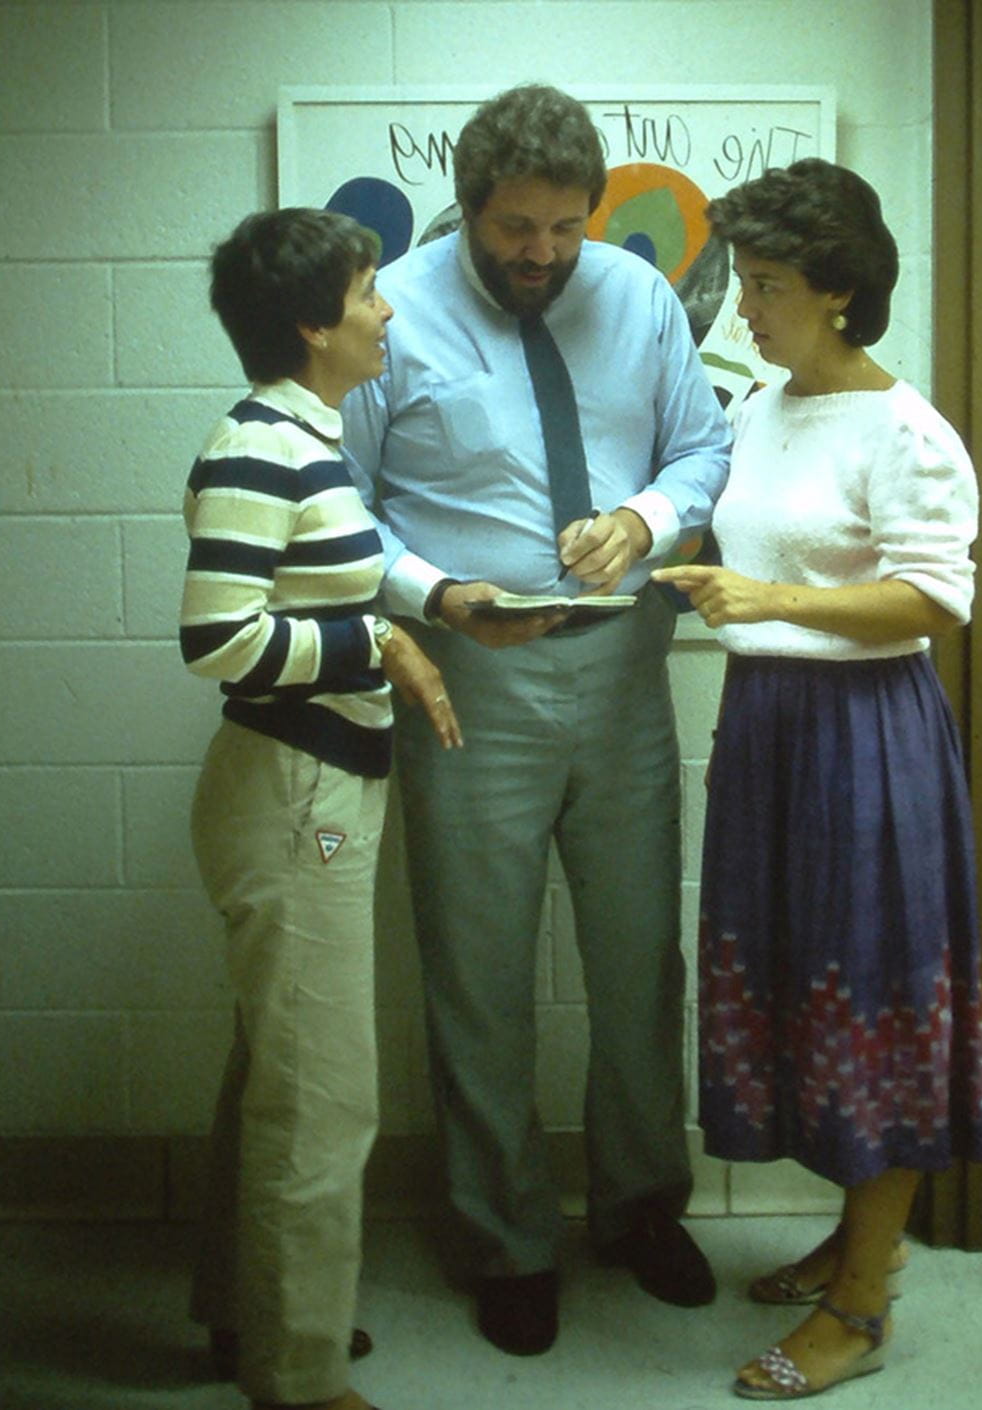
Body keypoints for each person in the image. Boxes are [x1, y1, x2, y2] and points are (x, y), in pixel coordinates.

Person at [341, 84, 731, 1356]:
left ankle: (637, 1208)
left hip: (622, 674)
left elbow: (701, 450)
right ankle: (504, 1239)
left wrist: (645, 520)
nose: (543, 255)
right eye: (517, 229)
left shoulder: (634, 296)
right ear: (469, 210)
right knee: (478, 975)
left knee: (637, 965)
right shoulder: (390, 311)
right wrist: (436, 594)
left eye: (565, 226)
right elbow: (339, 508)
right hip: (471, 684)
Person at [653, 158, 982, 1401]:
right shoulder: (758, 408)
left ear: (840, 295)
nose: (747, 307)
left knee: (875, 998)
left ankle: (863, 1302)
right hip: (767, 729)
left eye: (771, 285)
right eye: (745, 280)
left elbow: (932, 598)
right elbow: (735, 532)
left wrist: (775, 598)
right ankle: (852, 1237)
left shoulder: (906, 430)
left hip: (867, 737)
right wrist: (646, 543)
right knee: (794, 982)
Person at [181, 207, 461, 1410]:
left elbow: (346, 571)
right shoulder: (258, 442)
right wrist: (379, 642)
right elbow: (218, 641)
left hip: (314, 789)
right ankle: (294, 1377)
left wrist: (440, 607)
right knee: (324, 1098)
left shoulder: (307, 435)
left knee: (279, 1073)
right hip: (296, 798)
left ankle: (246, 1315)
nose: (386, 311)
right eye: (365, 294)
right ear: (310, 324)